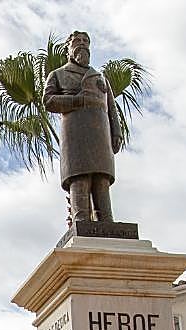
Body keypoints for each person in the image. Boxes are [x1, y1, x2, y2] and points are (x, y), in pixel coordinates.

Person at [43, 31, 122, 224]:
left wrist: (116, 132)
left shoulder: (100, 77)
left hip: (100, 134)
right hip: (75, 133)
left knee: (101, 179)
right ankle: (81, 221)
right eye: (77, 41)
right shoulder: (58, 74)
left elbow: (112, 107)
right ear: (68, 49)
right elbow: (48, 101)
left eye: (86, 41)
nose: (82, 44)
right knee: (80, 176)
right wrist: (76, 100)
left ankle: (106, 222)